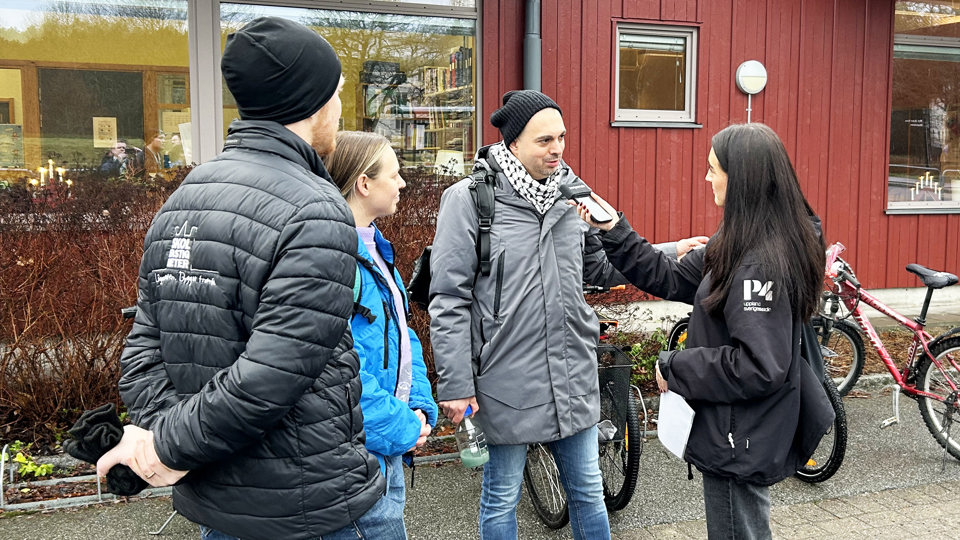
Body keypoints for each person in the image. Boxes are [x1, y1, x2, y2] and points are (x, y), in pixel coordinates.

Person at [95, 17, 390, 540]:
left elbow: (144, 348)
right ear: (311, 101)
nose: (341, 110)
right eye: (337, 94)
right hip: (308, 508)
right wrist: (167, 447)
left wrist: (170, 438)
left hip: (218, 503)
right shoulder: (316, 209)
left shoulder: (186, 194)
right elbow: (273, 375)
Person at [428, 89, 707, 540]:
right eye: (544, 140)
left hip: (571, 371)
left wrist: (669, 251)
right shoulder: (470, 200)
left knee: (588, 491)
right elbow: (449, 298)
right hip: (504, 377)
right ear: (512, 143)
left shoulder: (573, 195)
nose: (557, 148)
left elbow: (598, 266)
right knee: (501, 497)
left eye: (561, 137)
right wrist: (457, 386)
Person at [575, 122, 835, 539]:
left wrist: (674, 366)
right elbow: (670, 277)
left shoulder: (759, 262)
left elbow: (757, 366)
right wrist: (613, 231)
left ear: (742, 179)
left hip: (741, 431)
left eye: (714, 169)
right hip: (738, 425)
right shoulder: (741, 240)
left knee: (738, 529)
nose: (707, 177)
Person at [324, 130, 439, 537]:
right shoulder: (334, 259)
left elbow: (401, 334)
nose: (403, 183)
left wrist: (421, 406)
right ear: (364, 183)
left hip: (386, 444)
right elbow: (334, 368)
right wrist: (403, 427)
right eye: (394, 174)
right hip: (360, 457)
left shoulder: (376, 249)